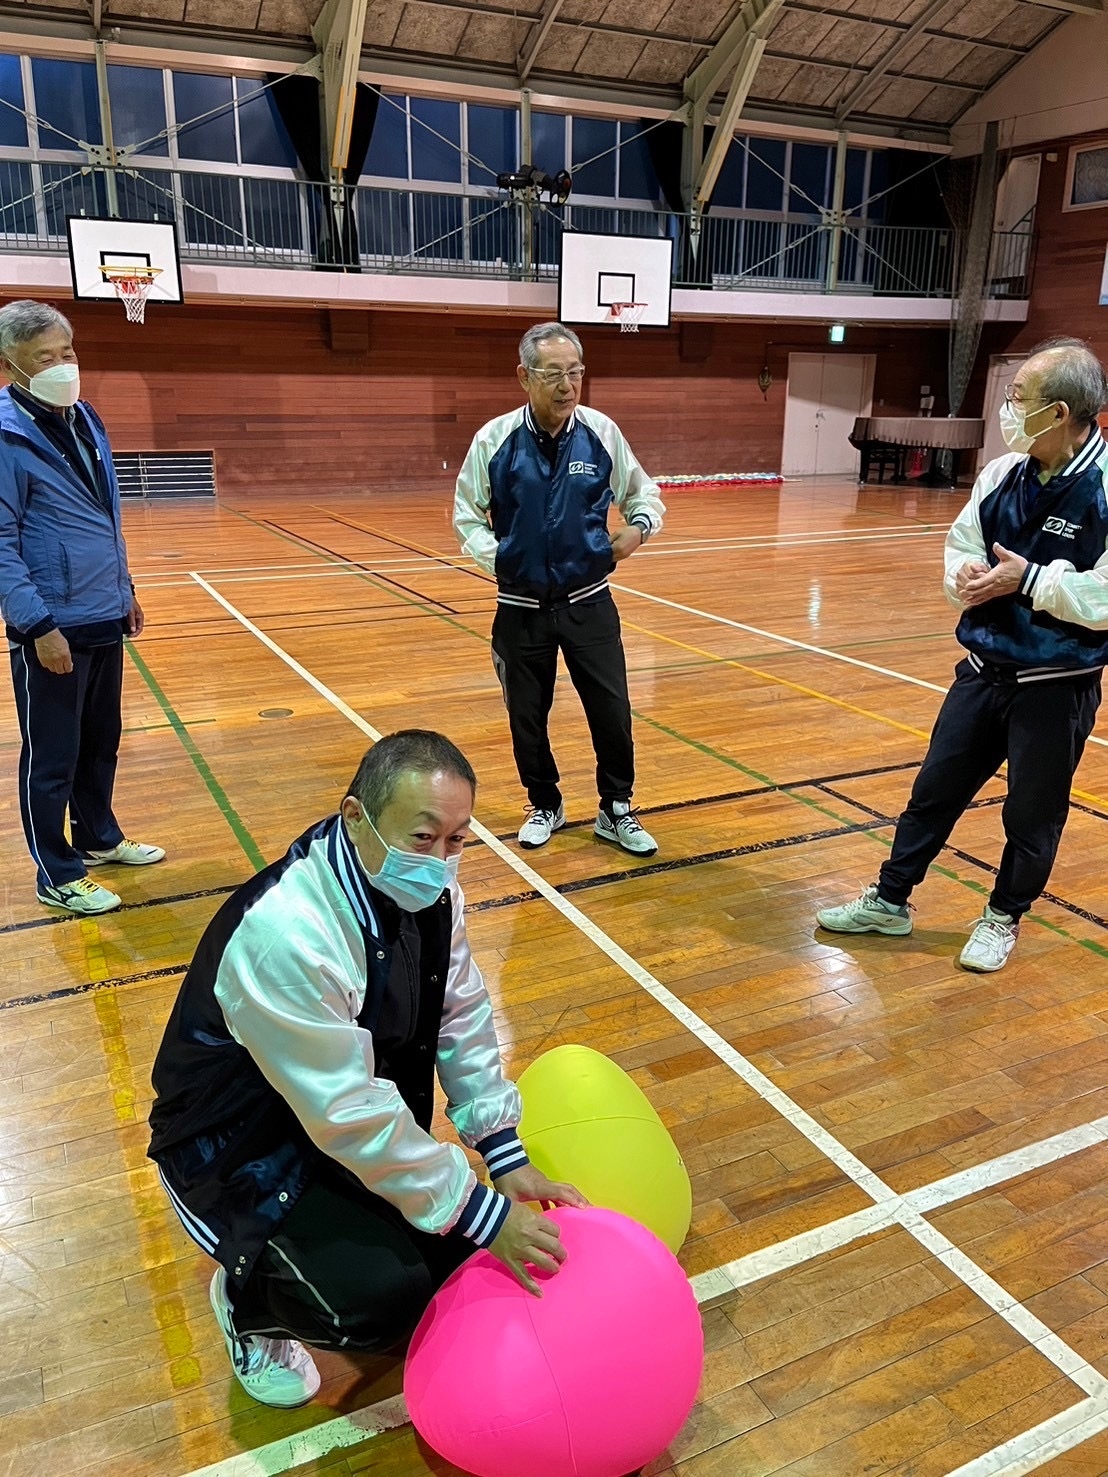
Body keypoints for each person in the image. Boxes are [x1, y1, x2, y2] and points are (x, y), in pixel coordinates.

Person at [148, 730, 585, 1408]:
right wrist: (483, 1211)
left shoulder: (431, 892)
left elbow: (460, 1008)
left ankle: (310, 1258)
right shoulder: (290, 935)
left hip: (325, 1122)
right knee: (377, 1306)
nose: (440, 860)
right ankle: (247, 1303)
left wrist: (503, 1153)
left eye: (458, 839)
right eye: (422, 836)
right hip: (235, 1152)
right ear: (355, 817)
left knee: (454, 1261)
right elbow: (347, 1110)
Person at [817, 337, 1108, 973]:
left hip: (1056, 687)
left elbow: (1106, 597)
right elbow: (961, 544)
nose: (1008, 407)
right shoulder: (1001, 473)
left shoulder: (1105, 489)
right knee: (933, 793)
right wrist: (967, 578)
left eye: (1018, 397)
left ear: (1058, 412)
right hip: (980, 673)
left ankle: (1002, 917)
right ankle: (890, 901)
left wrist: (1028, 580)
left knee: (1032, 816)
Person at [454, 321, 665, 855]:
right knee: (527, 717)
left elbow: (645, 495)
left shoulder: (601, 432)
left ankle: (616, 808)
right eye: (553, 374)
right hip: (520, 609)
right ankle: (545, 802)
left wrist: (637, 530)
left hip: (590, 604)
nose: (567, 385)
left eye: (575, 373)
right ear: (525, 377)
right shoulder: (494, 439)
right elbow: (466, 516)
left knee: (612, 712)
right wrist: (500, 558)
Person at [0, 300, 163, 916]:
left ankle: (96, 837)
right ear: (10, 363)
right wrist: (36, 625)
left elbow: (104, 514)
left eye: (67, 352)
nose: (62, 365)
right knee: (53, 753)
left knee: (101, 741)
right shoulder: (6, 433)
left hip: (102, 610)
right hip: (51, 622)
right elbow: (1, 541)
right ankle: (56, 870)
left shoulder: (85, 416)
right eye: (45, 357)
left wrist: (125, 593)